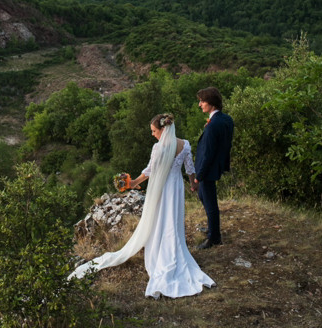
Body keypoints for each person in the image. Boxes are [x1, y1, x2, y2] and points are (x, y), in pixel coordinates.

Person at [68, 113, 215, 298]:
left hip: (162, 188)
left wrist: (133, 183)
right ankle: (173, 249)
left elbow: (150, 171)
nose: (153, 135)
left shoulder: (158, 148)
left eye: (154, 131)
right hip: (176, 187)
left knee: (160, 218)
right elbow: (190, 169)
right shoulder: (184, 144)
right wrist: (194, 184)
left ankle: (162, 252)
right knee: (172, 218)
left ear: (163, 129)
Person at [191, 87, 234, 250]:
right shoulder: (226, 119)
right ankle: (212, 227)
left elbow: (208, 153)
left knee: (210, 203)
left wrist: (198, 175)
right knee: (203, 195)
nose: (200, 104)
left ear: (211, 103)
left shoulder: (213, 125)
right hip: (217, 165)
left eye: (202, 101)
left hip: (207, 169)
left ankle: (214, 238)